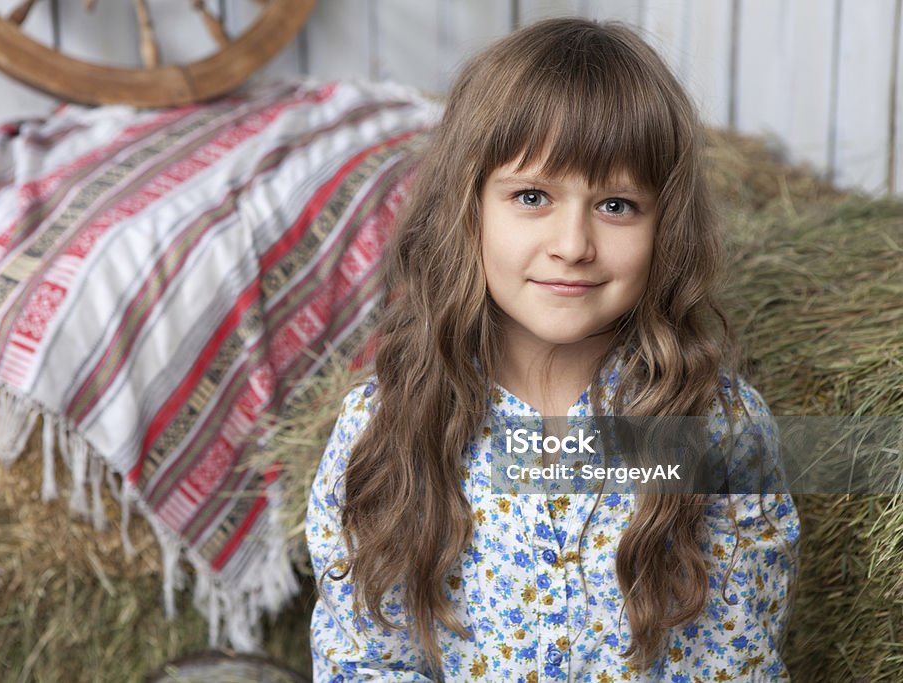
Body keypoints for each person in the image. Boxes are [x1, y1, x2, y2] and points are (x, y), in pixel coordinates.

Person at [306, 17, 799, 682]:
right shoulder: (384, 427)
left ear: (667, 228)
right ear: (469, 206)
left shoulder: (717, 432)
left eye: (618, 205)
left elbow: (735, 665)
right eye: (532, 196)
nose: (573, 243)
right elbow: (366, 661)